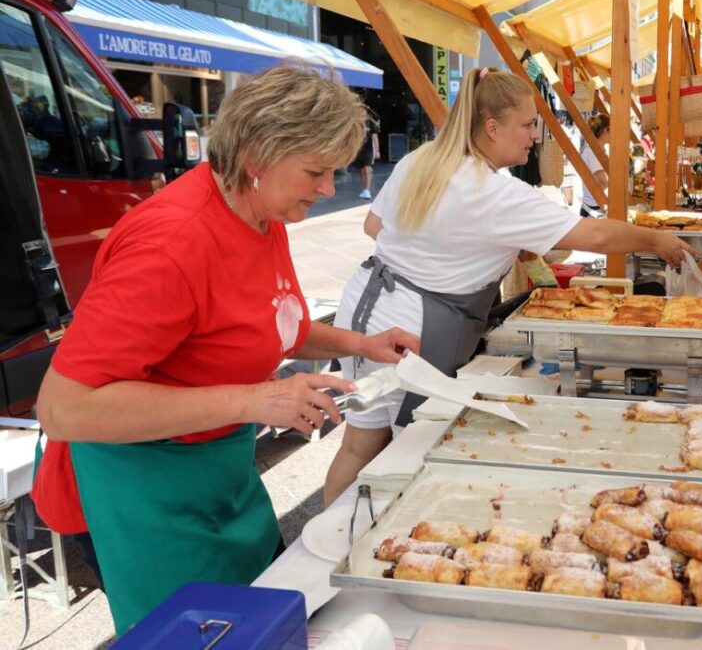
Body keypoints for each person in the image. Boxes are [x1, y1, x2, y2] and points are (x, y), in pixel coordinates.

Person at [30, 63, 420, 635]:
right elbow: (63, 410)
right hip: (144, 484)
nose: (329, 189)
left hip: (219, 468)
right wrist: (251, 400)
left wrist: (360, 342)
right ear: (256, 159)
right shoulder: (171, 245)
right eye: (316, 171)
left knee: (267, 619)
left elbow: (267, 320)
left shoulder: (263, 213)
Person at [322, 67, 695, 504]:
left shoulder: (421, 160)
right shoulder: (494, 191)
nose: (535, 135)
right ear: (492, 128)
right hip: (414, 330)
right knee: (414, 449)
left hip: (366, 307)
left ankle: (323, 552)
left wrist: (468, 247)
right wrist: (654, 238)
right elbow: (595, 236)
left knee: (359, 443)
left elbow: (374, 227)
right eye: (527, 124)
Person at [579, 114, 610, 217]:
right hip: (594, 210)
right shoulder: (593, 151)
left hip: (595, 207)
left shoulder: (597, 150)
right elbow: (602, 182)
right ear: (605, 130)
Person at [352, 114, 381, 199]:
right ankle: (364, 189)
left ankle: (367, 190)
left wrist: (377, 151)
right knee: (361, 170)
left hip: (368, 150)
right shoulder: (355, 122)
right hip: (358, 149)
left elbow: (375, 137)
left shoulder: (370, 122)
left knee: (367, 169)